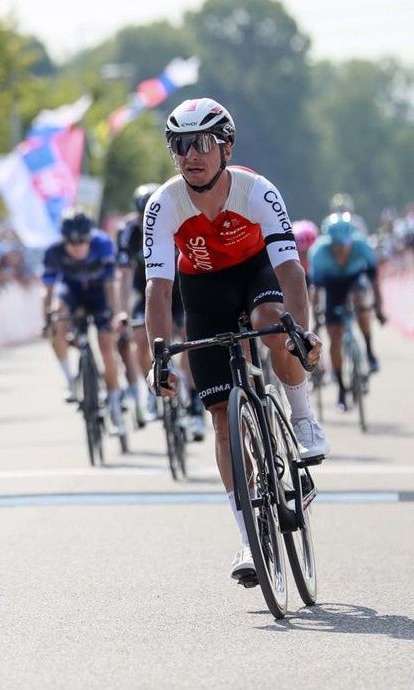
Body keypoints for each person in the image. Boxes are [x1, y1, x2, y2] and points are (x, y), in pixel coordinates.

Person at [144, 98, 327, 587]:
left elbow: (290, 269)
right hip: (202, 289)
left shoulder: (257, 191)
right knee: (222, 418)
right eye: (180, 145)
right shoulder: (163, 204)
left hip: (256, 272)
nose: (191, 155)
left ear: (226, 146)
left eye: (202, 143)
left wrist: (301, 333)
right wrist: (157, 354)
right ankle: (248, 537)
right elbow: (158, 289)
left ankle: (303, 418)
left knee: (274, 322)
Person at [117, 184, 205, 439]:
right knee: (139, 341)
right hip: (147, 290)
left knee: (190, 337)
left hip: (181, 290)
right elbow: (122, 276)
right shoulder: (128, 232)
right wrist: (121, 312)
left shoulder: (178, 222)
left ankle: (194, 404)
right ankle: (152, 386)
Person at [42, 210, 126, 436]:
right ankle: (70, 380)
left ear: (90, 238)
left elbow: (112, 284)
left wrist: (115, 313)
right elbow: (48, 291)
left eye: (82, 242)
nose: (77, 247)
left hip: (100, 294)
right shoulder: (53, 251)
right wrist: (48, 321)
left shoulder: (103, 244)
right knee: (56, 315)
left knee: (107, 348)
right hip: (73, 294)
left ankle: (115, 404)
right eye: (72, 242)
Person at [308, 212, 385, 410]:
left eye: (345, 245)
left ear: (352, 239)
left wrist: (378, 307)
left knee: (361, 302)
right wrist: (316, 314)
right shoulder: (318, 253)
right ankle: (341, 389)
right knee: (334, 337)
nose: (341, 249)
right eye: (337, 245)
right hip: (332, 285)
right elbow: (316, 290)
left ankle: (368, 349)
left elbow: (374, 281)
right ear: (329, 241)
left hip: (354, 279)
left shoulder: (362, 246)